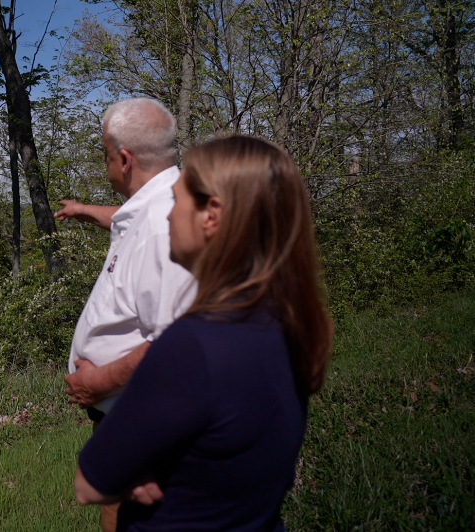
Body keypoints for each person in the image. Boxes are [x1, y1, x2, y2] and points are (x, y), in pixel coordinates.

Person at [73, 135, 334, 531]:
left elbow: (90, 484)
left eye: (177, 201)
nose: (166, 216)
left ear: (211, 215)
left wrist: (132, 462)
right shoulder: (284, 324)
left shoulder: (193, 345)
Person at [55, 97, 196, 532]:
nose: (105, 164)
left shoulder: (163, 226)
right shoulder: (158, 205)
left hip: (143, 418)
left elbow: (182, 346)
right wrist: (81, 211)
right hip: (126, 415)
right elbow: (122, 219)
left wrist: (100, 381)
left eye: (104, 155)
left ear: (124, 158)